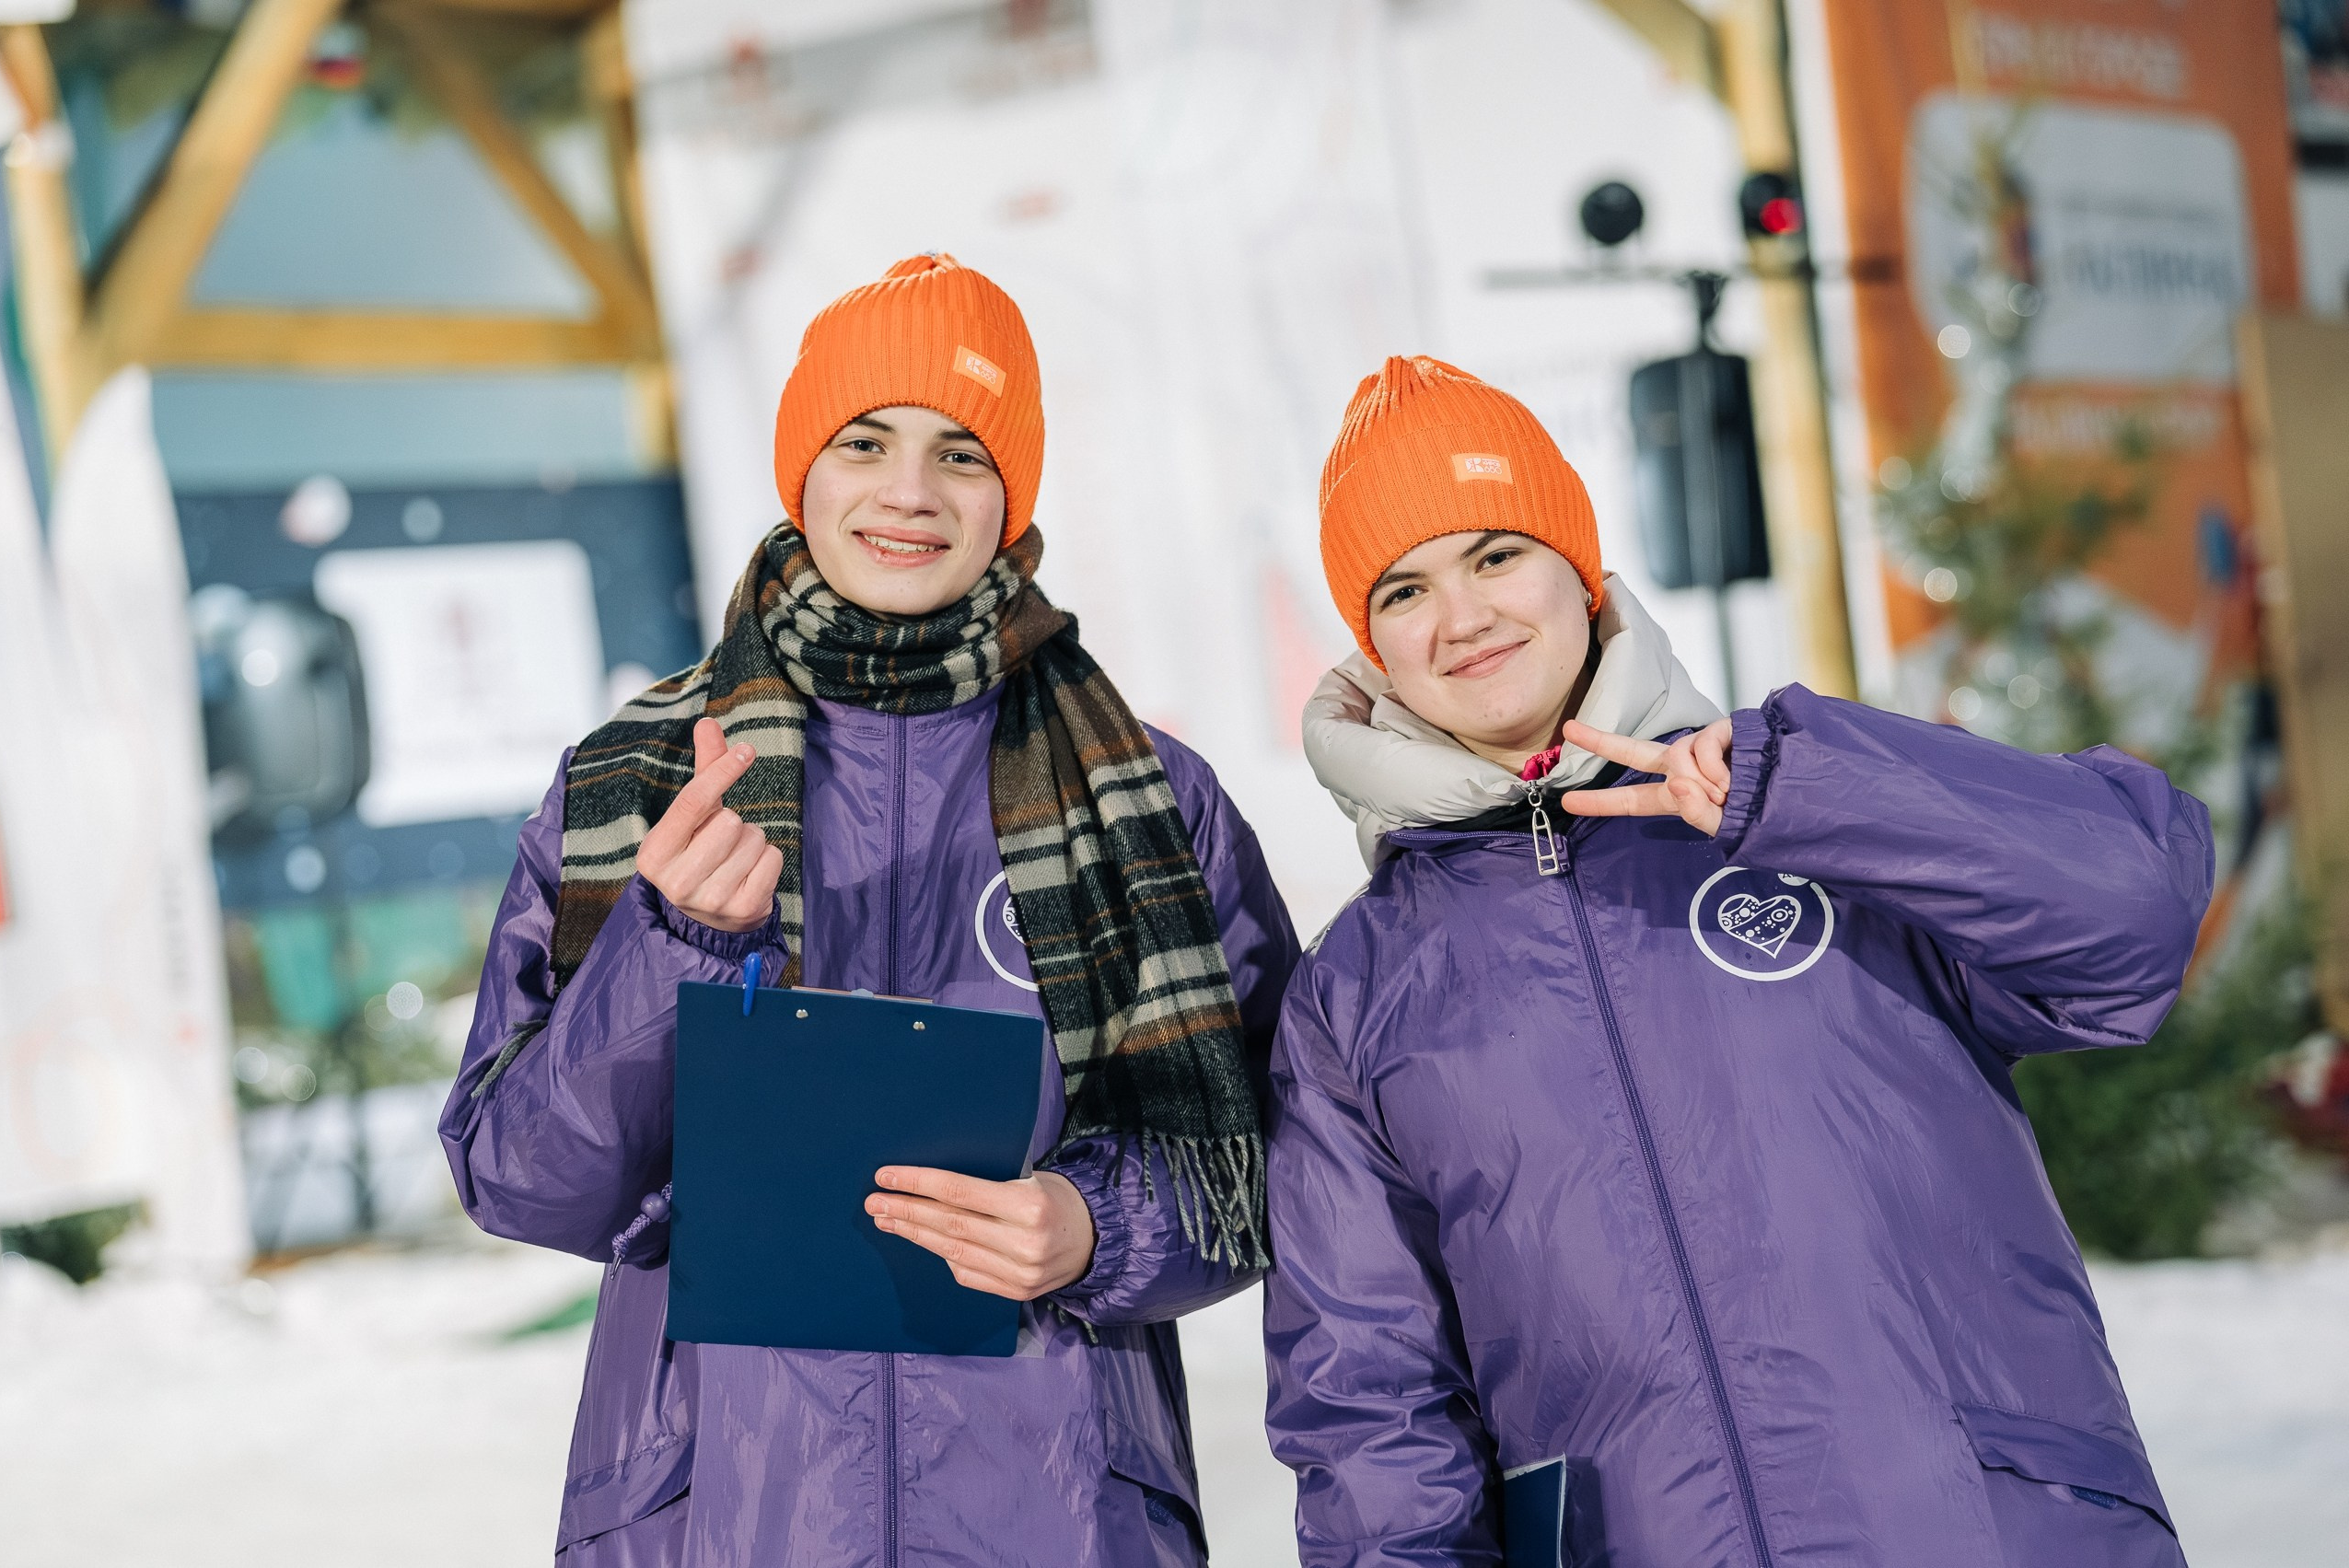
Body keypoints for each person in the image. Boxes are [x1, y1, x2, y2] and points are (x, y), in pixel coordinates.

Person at [1261, 354, 2210, 1567]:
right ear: (1372, 644)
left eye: (1496, 554)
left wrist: (1814, 789)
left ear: (1579, 571)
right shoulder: (1360, 991)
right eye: (1404, 589)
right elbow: (1370, 1409)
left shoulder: (1813, 812)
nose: (1462, 618)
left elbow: (2132, 914)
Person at [441, 254, 1297, 1566]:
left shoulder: (1146, 795)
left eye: (962, 453)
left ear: (1010, 496)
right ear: (804, 472)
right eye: (864, 442)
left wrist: (1096, 1228)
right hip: (719, 1518)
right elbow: (520, 1179)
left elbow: (1270, 1160)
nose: (909, 492)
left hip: (1060, 1514)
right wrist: (663, 952)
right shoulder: (638, 781)